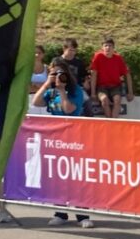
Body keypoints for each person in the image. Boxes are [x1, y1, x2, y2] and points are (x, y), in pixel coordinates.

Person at [31, 58, 94, 228]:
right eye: (54, 73)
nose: (58, 77)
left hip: (75, 138)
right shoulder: (50, 91)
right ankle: (61, 212)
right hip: (55, 139)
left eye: (61, 73)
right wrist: (47, 83)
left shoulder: (76, 91)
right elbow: (36, 102)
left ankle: (83, 215)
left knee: (76, 177)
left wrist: (62, 91)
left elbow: (69, 110)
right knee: (57, 177)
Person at [90, 37, 134, 118]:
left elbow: (127, 75)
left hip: (115, 86)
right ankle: (109, 122)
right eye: (105, 46)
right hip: (101, 87)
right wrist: (93, 93)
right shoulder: (98, 57)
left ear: (113, 48)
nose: (108, 48)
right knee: (104, 100)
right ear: (102, 48)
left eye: (110, 46)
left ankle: (114, 122)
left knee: (117, 100)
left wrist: (130, 92)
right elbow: (94, 75)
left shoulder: (118, 58)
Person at [29, 45, 49, 115]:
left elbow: (50, 86)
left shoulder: (47, 68)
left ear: (43, 54)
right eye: (34, 52)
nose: (36, 55)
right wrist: (43, 86)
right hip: (29, 99)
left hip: (44, 99)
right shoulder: (26, 69)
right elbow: (26, 88)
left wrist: (34, 85)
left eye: (39, 53)